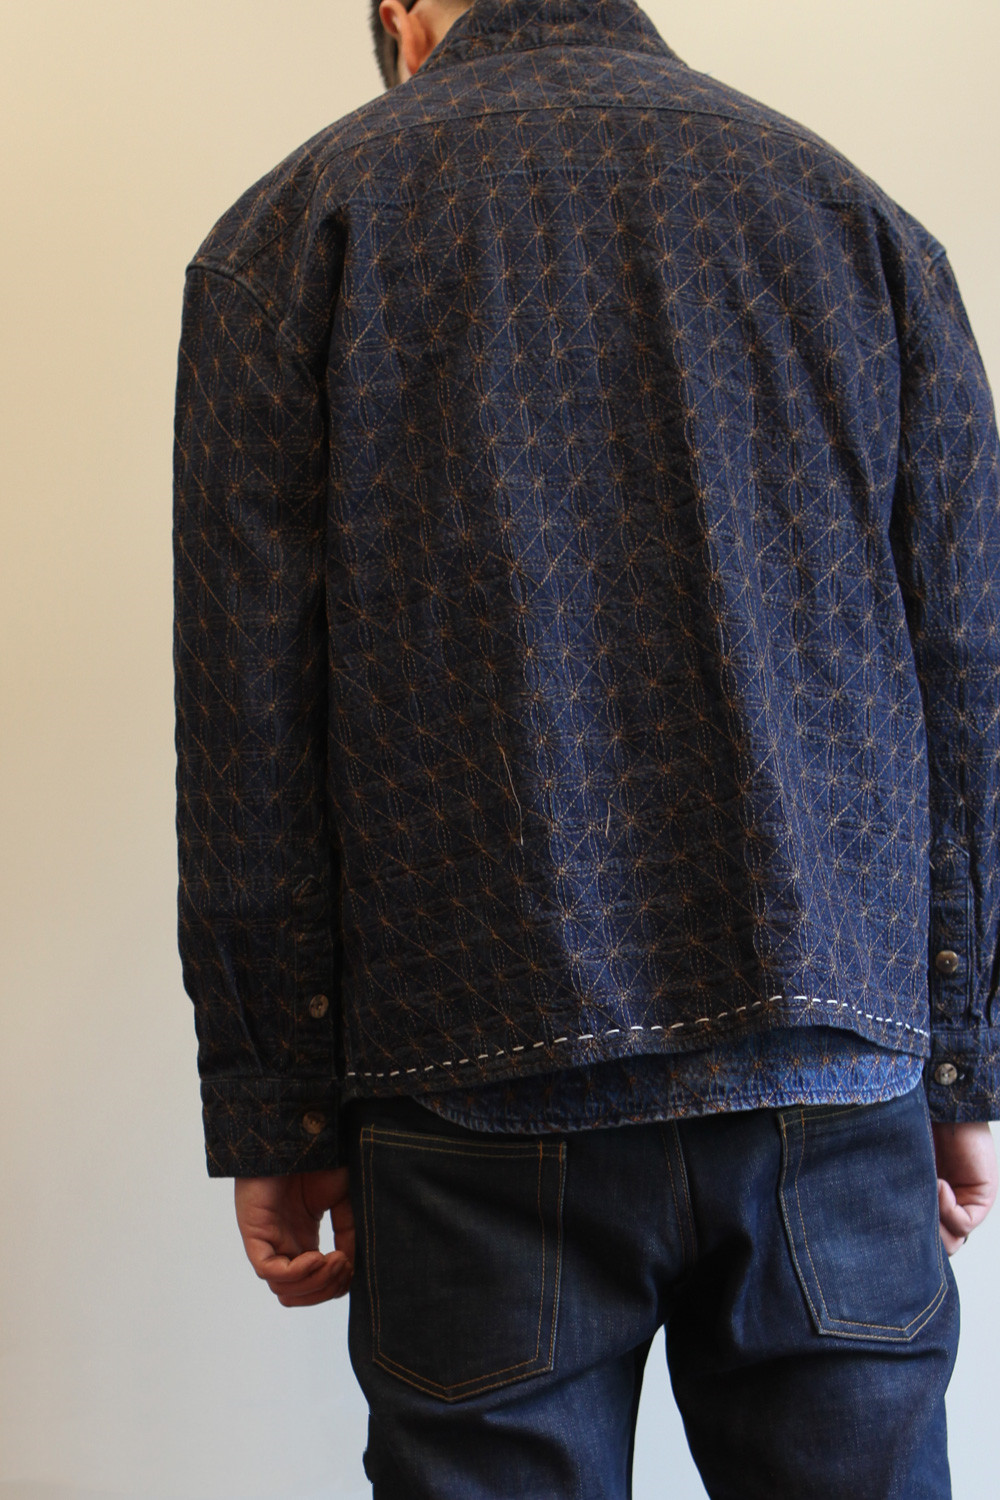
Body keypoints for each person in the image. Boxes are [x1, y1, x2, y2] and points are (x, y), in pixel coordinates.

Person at [172, 1, 1000, 1494]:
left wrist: (274, 1104)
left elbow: (250, 723)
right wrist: (959, 1056)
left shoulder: (290, 236)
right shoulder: (857, 222)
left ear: (406, 18)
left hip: (470, 1082)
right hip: (827, 1075)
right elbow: (968, 669)